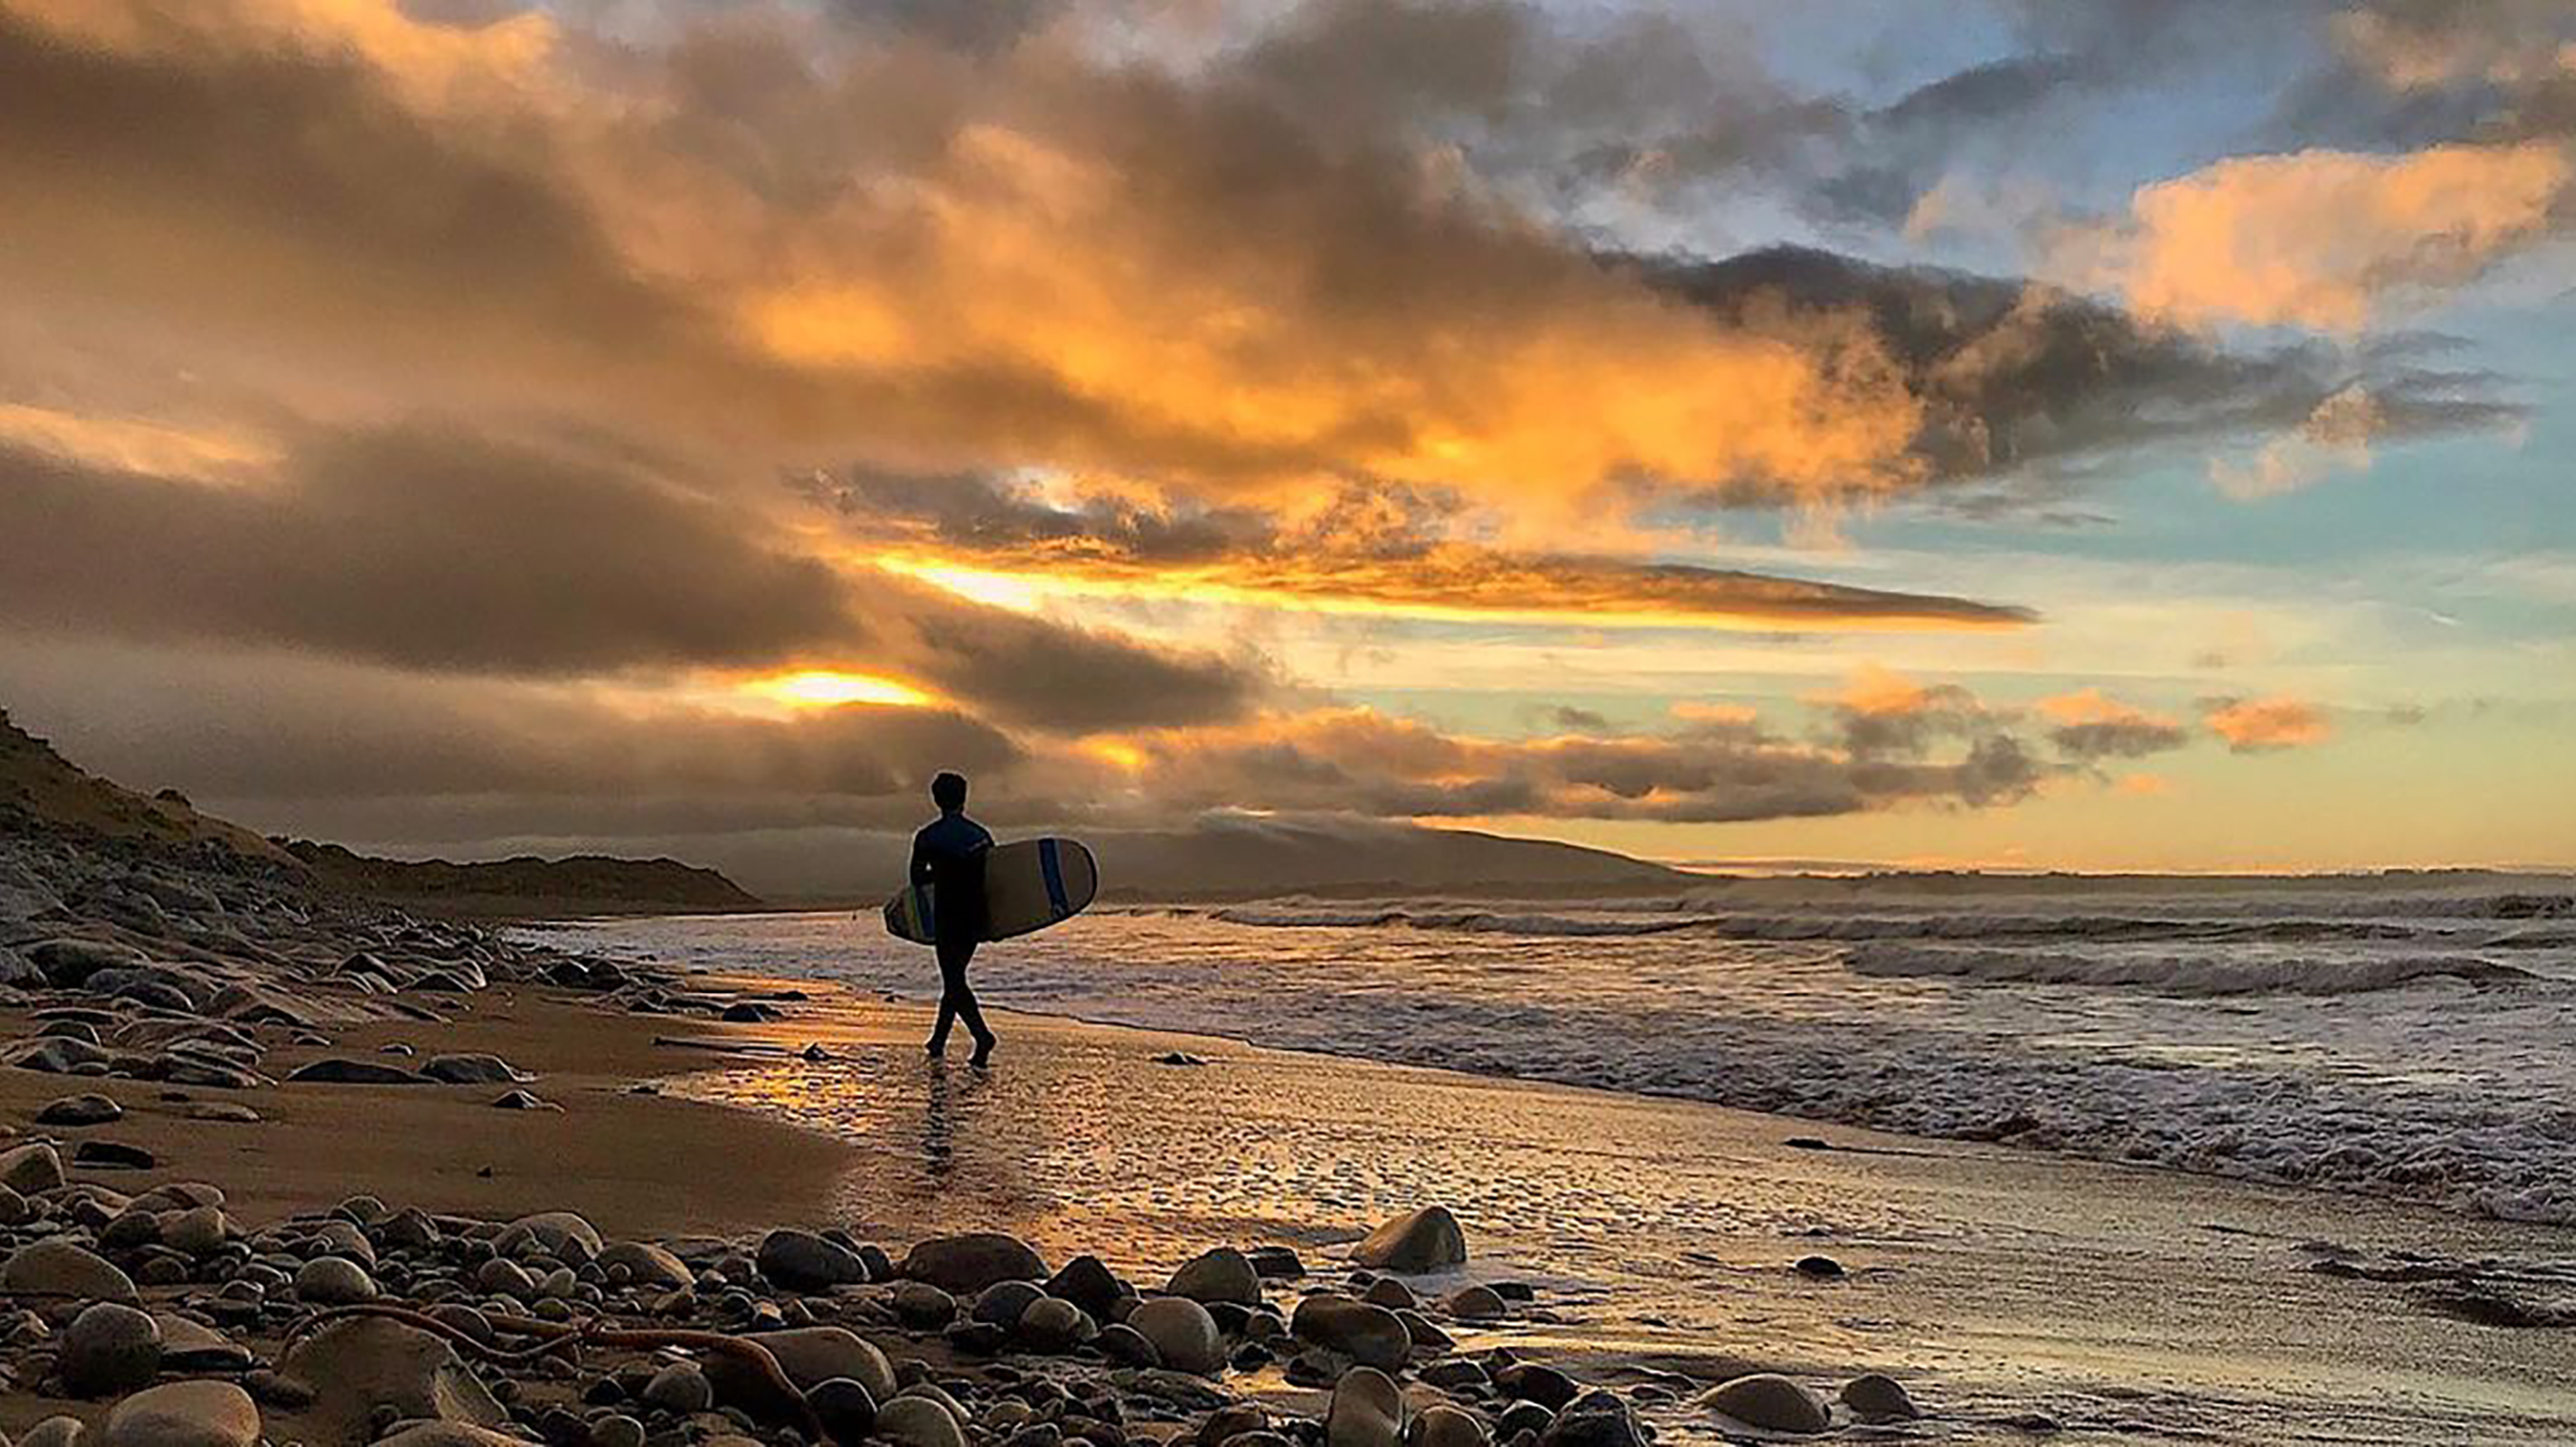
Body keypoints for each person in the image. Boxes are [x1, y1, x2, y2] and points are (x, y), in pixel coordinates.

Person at [909, 770, 997, 1065]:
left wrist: (943, 872)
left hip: (947, 915)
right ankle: (938, 1040)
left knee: (954, 978)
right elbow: (994, 878)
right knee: (955, 977)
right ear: (965, 797)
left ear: (936, 799)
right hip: (976, 915)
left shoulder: (927, 837)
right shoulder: (982, 836)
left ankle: (982, 1036)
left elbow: (917, 878)